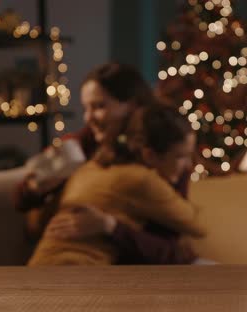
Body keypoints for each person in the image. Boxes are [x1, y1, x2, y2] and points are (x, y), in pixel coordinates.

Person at [16, 63, 197, 264]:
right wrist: (36, 187)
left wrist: (111, 227)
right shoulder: (89, 143)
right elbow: (21, 199)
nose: (88, 117)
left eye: (99, 106)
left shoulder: (168, 156)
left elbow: (171, 250)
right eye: (86, 108)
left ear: (133, 106)